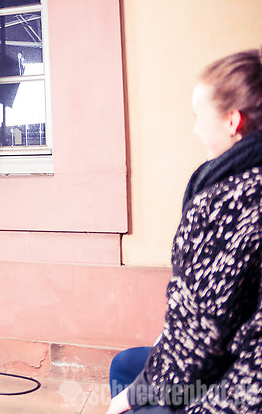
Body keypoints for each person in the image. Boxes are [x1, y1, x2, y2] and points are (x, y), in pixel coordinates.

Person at [107, 47, 262, 413]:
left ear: (232, 121)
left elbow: (198, 340)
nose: (195, 129)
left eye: (199, 116)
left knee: (128, 391)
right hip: (235, 356)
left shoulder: (231, 201)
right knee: (127, 364)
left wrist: (129, 398)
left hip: (243, 390)